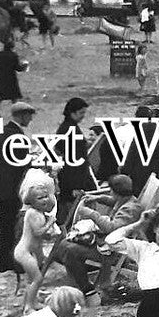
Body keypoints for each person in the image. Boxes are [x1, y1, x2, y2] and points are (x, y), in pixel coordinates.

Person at [0, 102, 35, 275]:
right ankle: (11, 263)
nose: (30, 119)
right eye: (29, 115)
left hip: (3, 185)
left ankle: (6, 262)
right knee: (11, 226)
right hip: (11, 188)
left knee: (5, 226)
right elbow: (21, 163)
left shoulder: (6, 131)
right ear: (21, 115)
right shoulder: (15, 135)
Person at [15, 184, 59, 314]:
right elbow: (38, 232)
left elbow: (42, 236)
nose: (45, 200)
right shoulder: (32, 213)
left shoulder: (40, 213)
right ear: (32, 201)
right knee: (37, 278)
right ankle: (28, 307)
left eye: (46, 197)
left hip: (32, 251)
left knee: (32, 279)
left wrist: (50, 234)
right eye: (40, 198)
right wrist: (50, 223)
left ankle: (31, 301)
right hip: (24, 252)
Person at [54, 97, 95, 226]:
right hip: (73, 181)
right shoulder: (71, 130)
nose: (83, 116)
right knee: (72, 217)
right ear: (73, 112)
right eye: (81, 113)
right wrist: (76, 186)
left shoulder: (65, 127)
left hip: (66, 179)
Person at [0, 43, 27, 112]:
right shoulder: (14, 55)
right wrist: (24, 66)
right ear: (12, 48)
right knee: (14, 96)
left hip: (0, 76)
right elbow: (17, 68)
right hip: (11, 77)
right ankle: (16, 110)